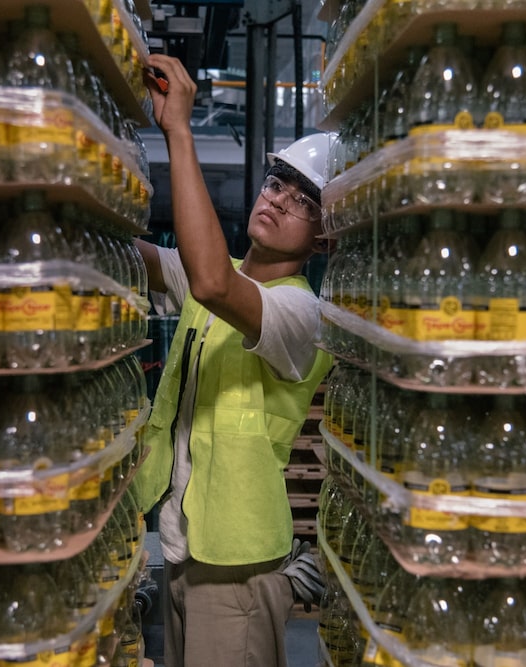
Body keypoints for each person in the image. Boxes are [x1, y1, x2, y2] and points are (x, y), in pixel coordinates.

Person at [133, 53, 334, 667]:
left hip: (239, 568)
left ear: (324, 237)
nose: (276, 200)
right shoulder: (210, 281)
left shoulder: (303, 317)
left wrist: (179, 131)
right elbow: (149, 257)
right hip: (183, 545)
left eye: (302, 200)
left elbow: (213, 283)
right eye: (276, 184)